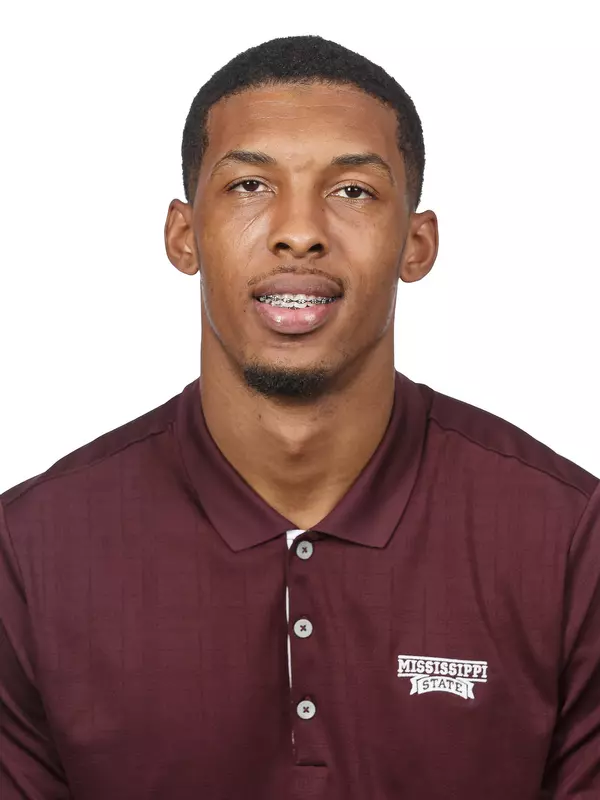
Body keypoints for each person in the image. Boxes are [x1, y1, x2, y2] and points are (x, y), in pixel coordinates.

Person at [0, 34, 598, 800]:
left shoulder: (568, 536)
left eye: (352, 191)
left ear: (417, 245)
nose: (299, 229)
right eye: (250, 185)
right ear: (184, 236)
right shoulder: (32, 549)